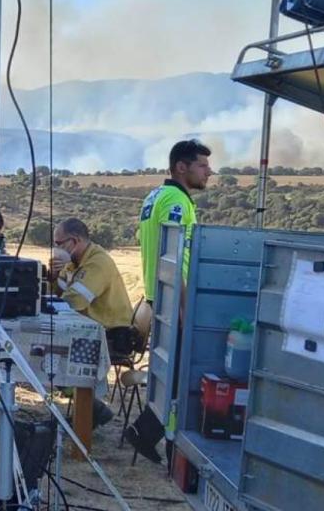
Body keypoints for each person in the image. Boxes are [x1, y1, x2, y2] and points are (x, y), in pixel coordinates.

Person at [124, 139, 211, 464]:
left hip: (158, 297)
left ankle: (147, 432)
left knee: (169, 375)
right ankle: (153, 435)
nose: (209, 172)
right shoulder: (177, 201)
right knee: (181, 376)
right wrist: (185, 305)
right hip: (174, 298)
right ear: (181, 167)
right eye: (202, 165)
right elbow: (174, 257)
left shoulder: (155, 196)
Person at [48, 218, 135, 428]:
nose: (56, 249)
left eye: (59, 244)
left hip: (112, 335)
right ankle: (89, 408)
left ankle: (91, 410)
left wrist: (55, 297)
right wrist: (53, 276)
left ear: (75, 241)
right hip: (89, 329)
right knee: (48, 351)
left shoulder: (97, 263)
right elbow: (59, 294)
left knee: (53, 353)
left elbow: (74, 301)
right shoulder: (74, 262)